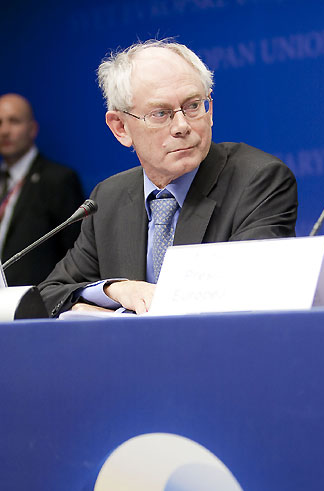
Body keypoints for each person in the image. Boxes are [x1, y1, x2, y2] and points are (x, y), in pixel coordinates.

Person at [38, 39, 298, 317]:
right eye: (160, 113)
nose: (182, 126)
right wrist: (115, 289)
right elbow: (49, 294)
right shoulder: (109, 197)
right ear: (121, 127)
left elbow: (241, 292)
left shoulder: (258, 180)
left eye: (193, 105)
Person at [0, 93, 84, 286]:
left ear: (32, 129)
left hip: (35, 300)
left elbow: (76, 251)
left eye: (14, 121)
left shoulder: (57, 179)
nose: (4, 131)